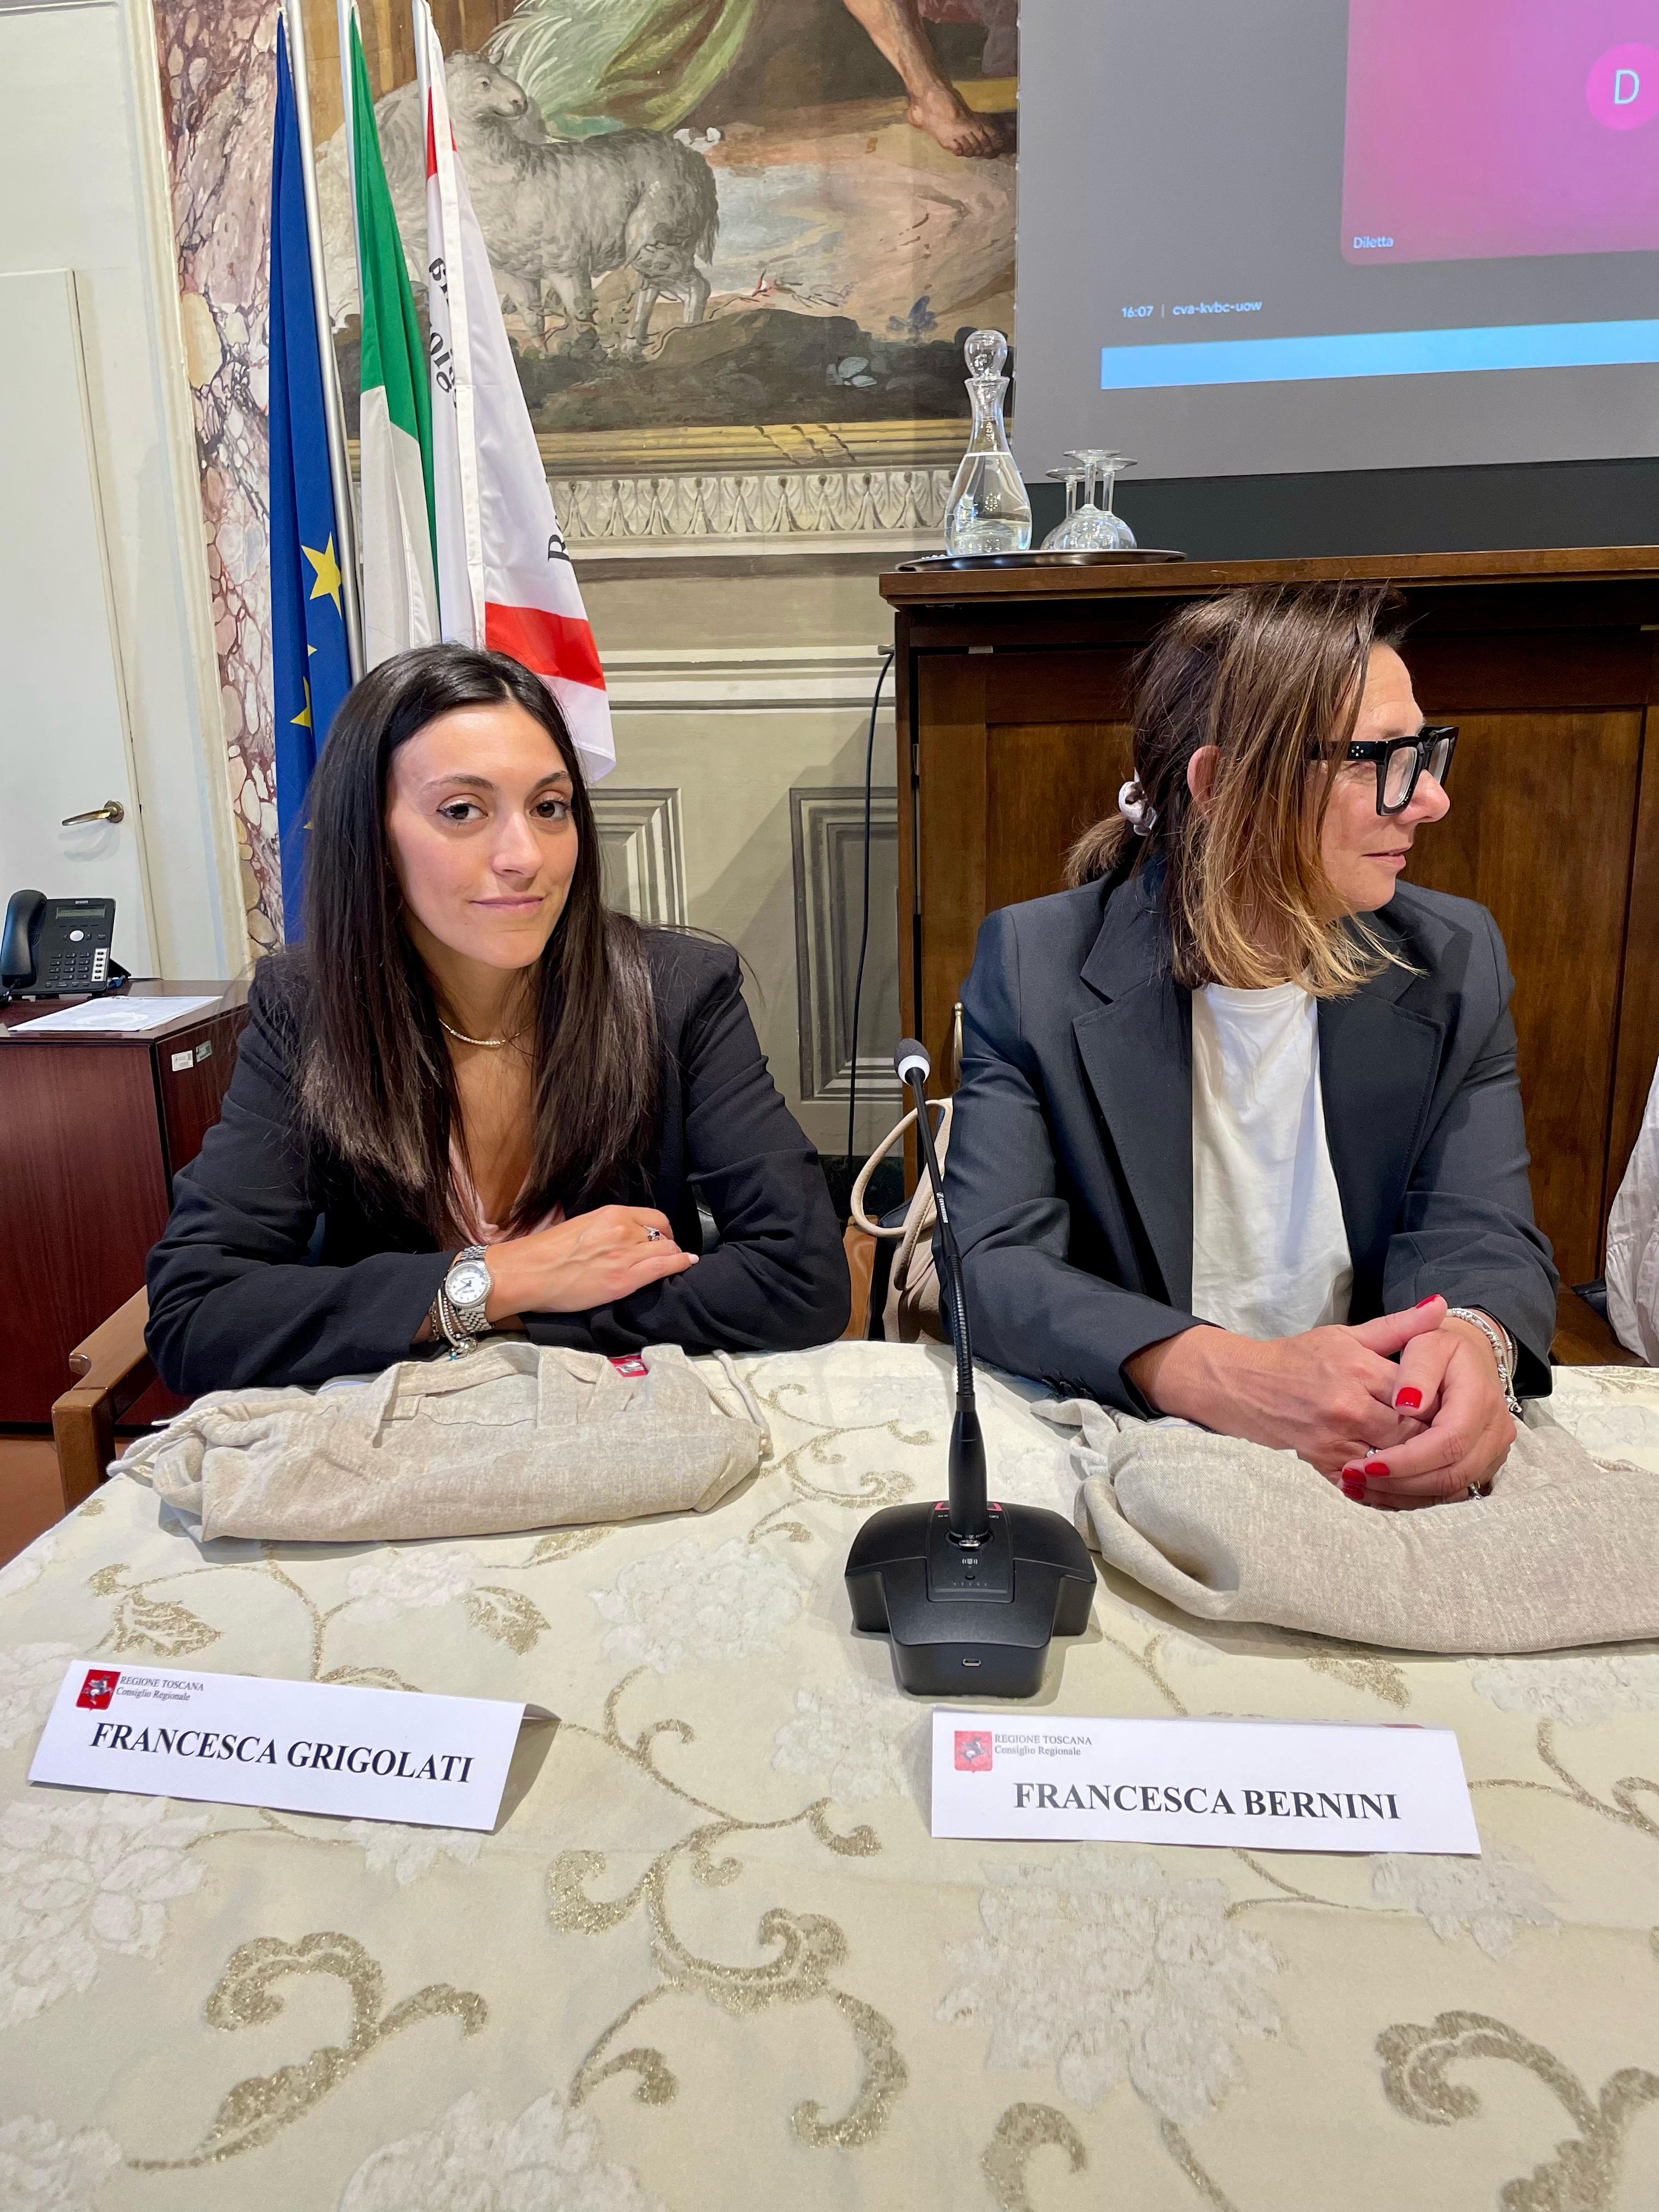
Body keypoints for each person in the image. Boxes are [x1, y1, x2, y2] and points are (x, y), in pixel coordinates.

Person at [943, 583, 1557, 1508]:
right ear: (1222, 785)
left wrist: (1474, 1338)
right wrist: (1218, 1372)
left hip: (1371, 1450)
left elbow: (1481, 1226)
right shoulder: (1037, 966)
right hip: (1140, 1451)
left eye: (1425, 751)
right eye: (1380, 760)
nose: (1431, 799)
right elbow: (991, 1262)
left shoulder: (1454, 959)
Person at [146, 645, 849, 1394]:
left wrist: (500, 1311)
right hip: (403, 1437)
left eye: (549, 808)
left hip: (619, 1418)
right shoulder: (308, 1009)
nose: (524, 856)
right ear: (371, 837)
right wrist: (502, 1278)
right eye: (462, 811)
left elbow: (802, 1278)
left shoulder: (677, 991)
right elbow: (198, 1316)